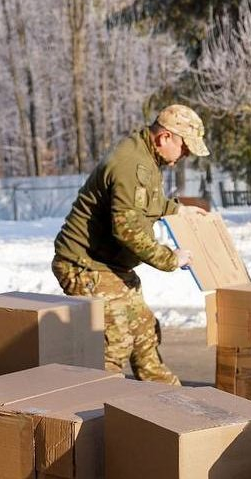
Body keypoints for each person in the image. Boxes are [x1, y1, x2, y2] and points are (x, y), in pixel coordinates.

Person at [51, 103, 210, 385]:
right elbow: (127, 229)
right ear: (165, 138)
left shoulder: (145, 156)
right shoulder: (133, 164)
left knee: (143, 330)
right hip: (85, 265)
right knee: (115, 340)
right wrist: (170, 259)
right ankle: (96, 410)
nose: (185, 156)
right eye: (185, 148)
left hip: (108, 264)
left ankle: (168, 401)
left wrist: (177, 210)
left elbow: (142, 202)